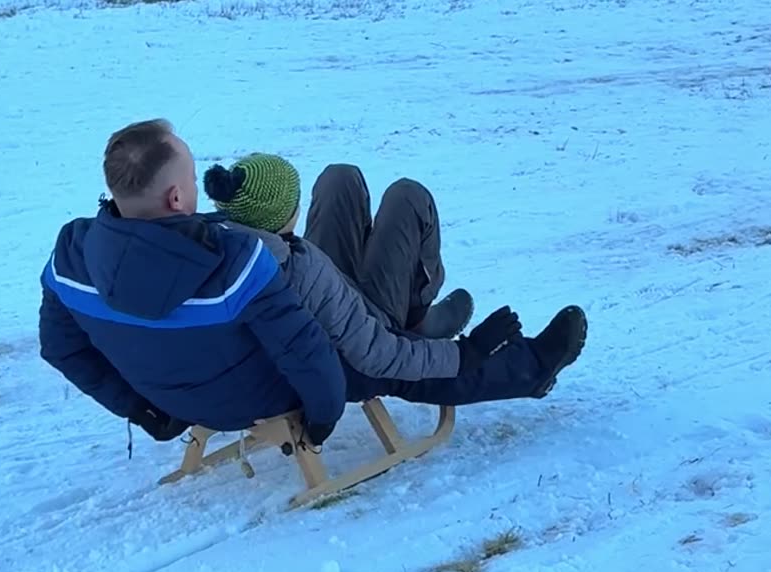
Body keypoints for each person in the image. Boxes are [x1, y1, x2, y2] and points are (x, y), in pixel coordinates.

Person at [36, 118, 347, 451]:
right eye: (194, 180)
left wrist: (139, 408)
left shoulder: (70, 257)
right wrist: (324, 415)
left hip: (168, 403)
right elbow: (303, 347)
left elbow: (60, 347)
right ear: (176, 198)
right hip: (258, 402)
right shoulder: (236, 262)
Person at [202, 152, 588, 407]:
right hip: (353, 340)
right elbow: (381, 355)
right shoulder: (292, 270)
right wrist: (467, 352)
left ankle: (415, 317)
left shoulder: (211, 245)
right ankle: (519, 361)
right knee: (408, 198)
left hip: (313, 326)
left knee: (340, 178)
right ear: (286, 212)